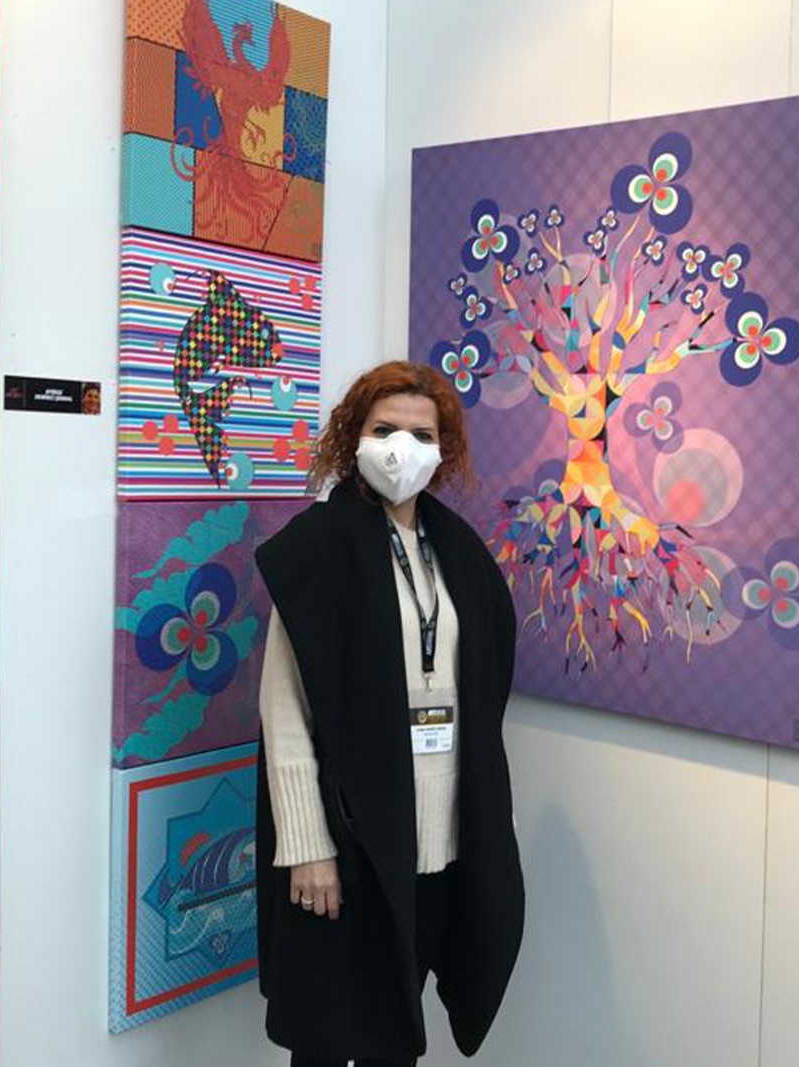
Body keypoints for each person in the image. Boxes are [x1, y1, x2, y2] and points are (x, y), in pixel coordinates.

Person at [253, 361, 525, 1066]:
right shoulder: (315, 550)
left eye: (421, 434)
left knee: (396, 1039)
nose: (402, 448)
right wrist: (307, 846)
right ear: (355, 437)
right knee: (324, 1037)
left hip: (437, 843)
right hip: (346, 845)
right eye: (384, 429)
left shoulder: (458, 552)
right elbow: (284, 709)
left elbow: (479, 693)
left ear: (443, 449)